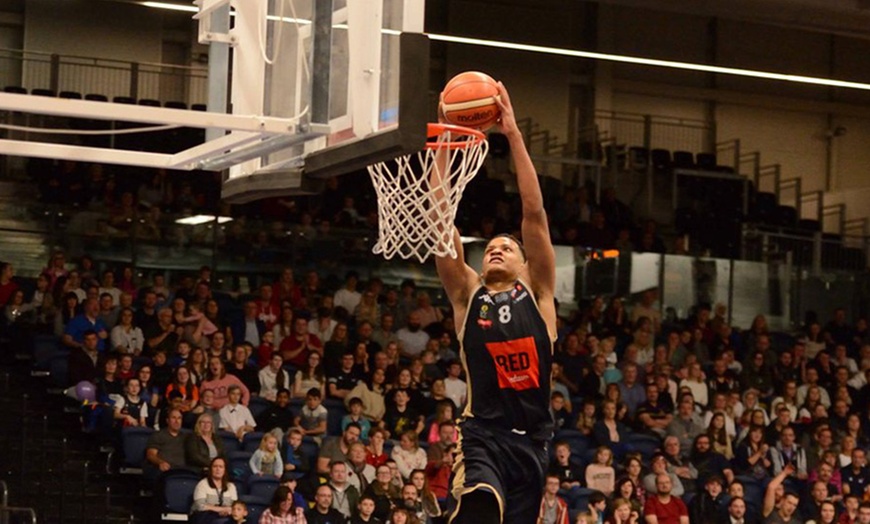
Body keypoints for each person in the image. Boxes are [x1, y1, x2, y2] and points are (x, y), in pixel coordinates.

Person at [433, 81, 555, 524]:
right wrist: (445, 140)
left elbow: (533, 212)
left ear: (526, 264)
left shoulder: (538, 293)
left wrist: (513, 134)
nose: (497, 248)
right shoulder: (468, 294)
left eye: (508, 245)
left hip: (533, 444)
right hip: (482, 435)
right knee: (481, 505)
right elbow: (441, 221)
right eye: (489, 248)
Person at [191, 457, 238, 523]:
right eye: (215, 466)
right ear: (211, 469)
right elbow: (200, 506)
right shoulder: (202, 484)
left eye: (221, 467)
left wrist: (226, 511)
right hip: (204, 518)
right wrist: (220, 510)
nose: (218, 469)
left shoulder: (231, 486)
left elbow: (234, 506)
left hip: (225, 516)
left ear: (225, 470)